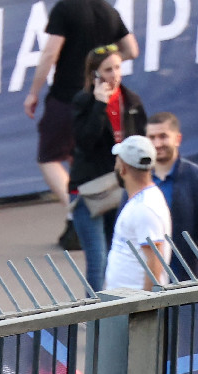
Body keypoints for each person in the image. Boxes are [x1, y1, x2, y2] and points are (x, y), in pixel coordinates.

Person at [21, 0, 135, 207]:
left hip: (67, 96)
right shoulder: (109, 11)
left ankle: (77, 209)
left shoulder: (65, 9)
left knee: (48, 158)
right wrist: (104, 64)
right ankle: (91, 208)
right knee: (82, 156)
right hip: (101, 98)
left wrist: (33, 93)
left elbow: (49, 54)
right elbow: (131, 50)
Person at [68, 43, 148, 291]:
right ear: (95, 74)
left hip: (121, 185)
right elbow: (84, 142)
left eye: (117, 67)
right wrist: (99, 105)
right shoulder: (84, 101)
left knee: (118, 256)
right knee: (98, 259)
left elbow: (141, 140)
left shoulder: (131, 100)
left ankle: (111, 312)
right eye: (108, 69)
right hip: (90, 190)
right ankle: (93, 316)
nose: (114, 75)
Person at [146, 114, 198, 280]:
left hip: (183, 277)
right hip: (144, 279)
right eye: (151, 137)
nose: (157, 144)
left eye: (163, 136)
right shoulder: (138, 178)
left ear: (178, 139)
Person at [104, 136, 171, 292]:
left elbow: (154, 259)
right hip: (126, 300)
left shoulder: (144, 207)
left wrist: (145, 308)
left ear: (123, 167)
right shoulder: (144, 200)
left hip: (134, 305)